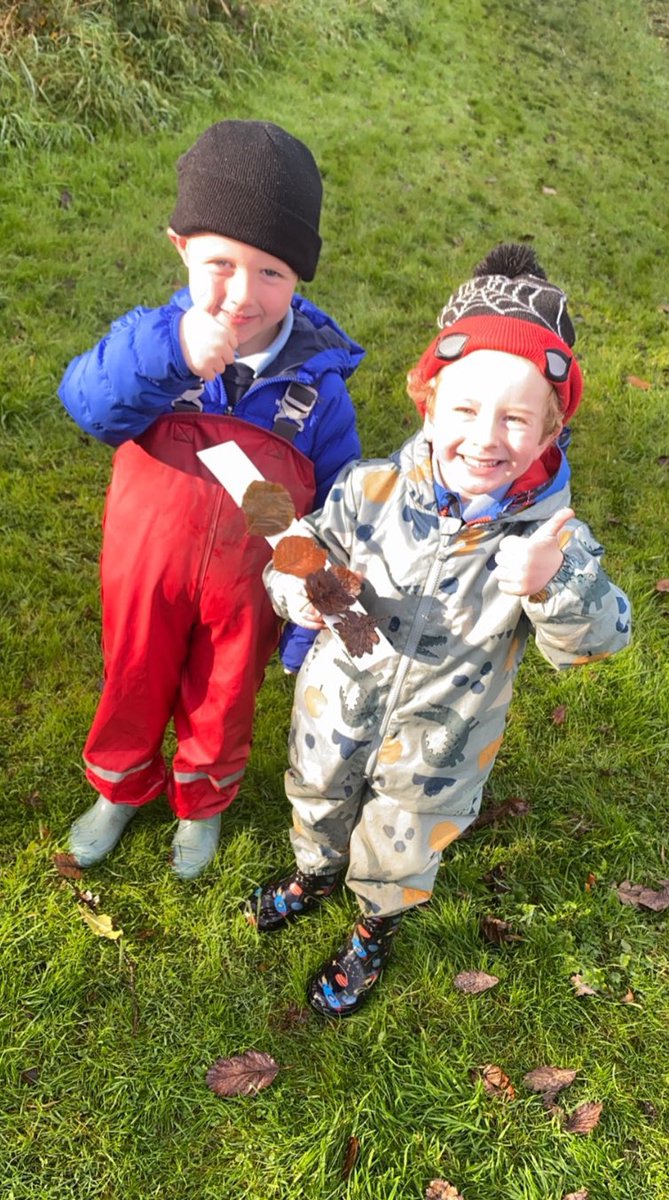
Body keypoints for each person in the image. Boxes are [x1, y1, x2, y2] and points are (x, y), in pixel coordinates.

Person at [243, 243, 631, 1016]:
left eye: (516, 418)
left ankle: (371, 924)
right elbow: (294, 552)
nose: (485, 437)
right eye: (464, 409)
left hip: (440, 745)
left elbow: (595, 641)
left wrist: (553, 584)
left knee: (399, 842)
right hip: (332, 711)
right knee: (316, 797)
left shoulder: (550, 541)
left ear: (551, 431)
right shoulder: (367, 488)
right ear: (428, 401)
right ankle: (313, 873)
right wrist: (300, 590)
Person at [58, 119, 364, 879]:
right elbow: (88, 405)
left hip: (247, 588)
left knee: (223, 697)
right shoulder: (153, 341)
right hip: (145, 571)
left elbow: (333, 513)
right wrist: (171, 355)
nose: (241, 293)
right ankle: (120, 788)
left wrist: (313, 625)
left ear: (300, 279)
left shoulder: (317, 390)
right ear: (181, 249)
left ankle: (202, 804)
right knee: (133, 678)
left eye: (271, 273)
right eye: (219, 263)